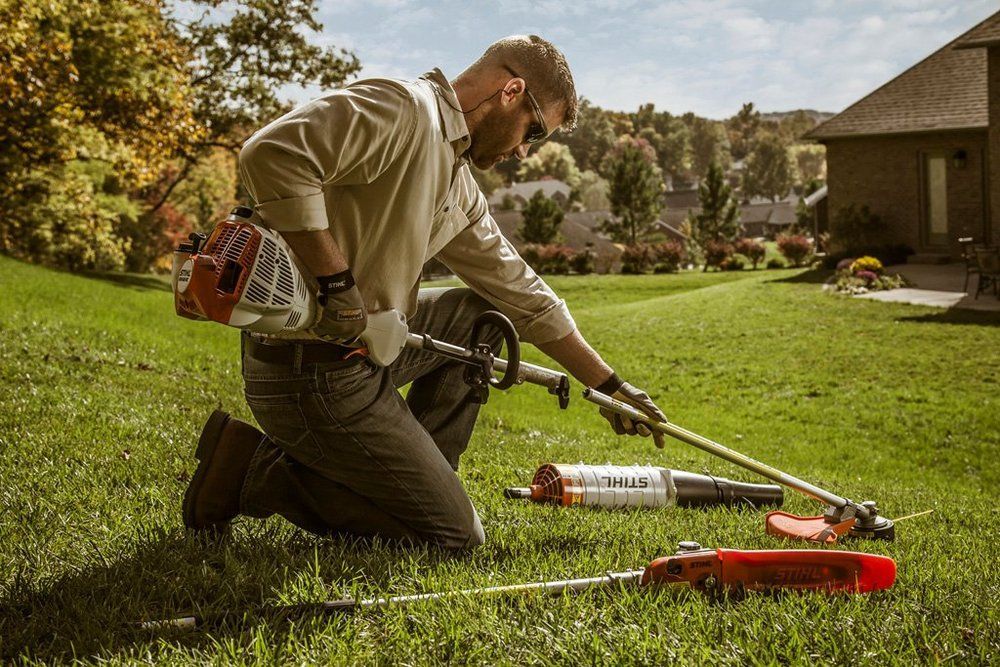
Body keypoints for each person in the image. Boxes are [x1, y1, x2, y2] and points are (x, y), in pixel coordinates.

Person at [182, 35, 667, 549]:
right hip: (311, 373)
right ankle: (247, 470)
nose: (525, 152)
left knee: (484, 316)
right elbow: (271, 153)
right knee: (453, 538)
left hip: (365, 357)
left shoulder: (457, 181)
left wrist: (611, 387)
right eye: (535, 132)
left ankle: (423, 475)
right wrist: (336, 282)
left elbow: (521, 292)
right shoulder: (404, 109)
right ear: (511, 91)